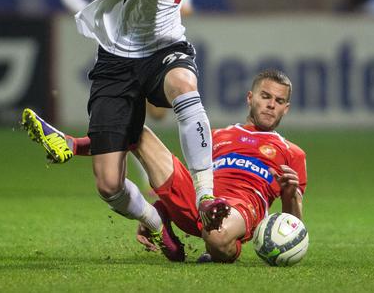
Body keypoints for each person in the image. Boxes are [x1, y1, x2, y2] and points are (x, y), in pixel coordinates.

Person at [43, 0, 302, 247]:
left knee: (184, 84)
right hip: (118, 57)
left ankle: (206, 196)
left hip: (165, 44)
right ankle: (153, 220)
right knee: (109, 184)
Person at [22, 70, 306, 263]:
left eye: (279, 101)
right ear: (250, 97)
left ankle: (223, 250)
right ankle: (70, 145)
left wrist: (291, 194)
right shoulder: (217, 135)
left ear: (286, 108)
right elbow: (193, 174)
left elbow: (294, 224)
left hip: (238, 210)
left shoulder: (292, 153)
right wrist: (161, 210)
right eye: (265, 96)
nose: (270, 105)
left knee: (217, 237)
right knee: (138, 131)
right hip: (200, 198)